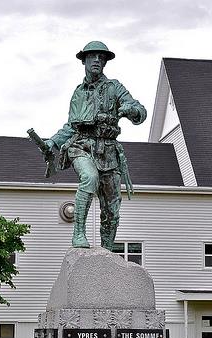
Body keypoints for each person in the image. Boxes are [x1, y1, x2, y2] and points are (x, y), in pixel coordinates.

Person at [45, 41, 147, 249]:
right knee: (89, 178)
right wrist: (53, 141)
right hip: (81, 146)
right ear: (84, 60)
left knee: (112, 210)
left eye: (101, 57)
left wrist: (130, 109)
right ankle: (79, 234)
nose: (97, 60)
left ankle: (107, 252)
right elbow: (71, 126)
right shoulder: (78, 93)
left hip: (108, 151)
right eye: (92, 56)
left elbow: (140, 111)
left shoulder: (115, 87)